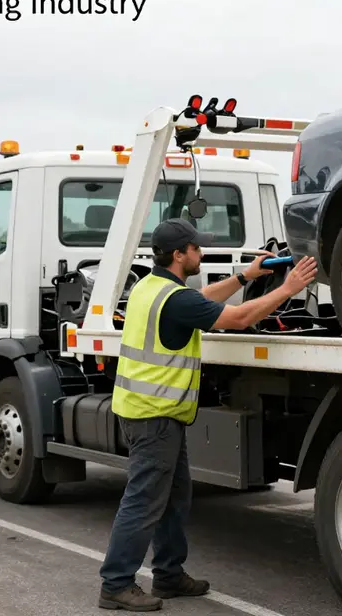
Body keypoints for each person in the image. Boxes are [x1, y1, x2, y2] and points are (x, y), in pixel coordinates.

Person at [98, 217, 318, 611]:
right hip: (155, 418)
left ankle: (167, 575)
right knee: (145, 502)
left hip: (150, 413)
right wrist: (288, 288)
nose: (202, 253)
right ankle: (115, 584)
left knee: (175, 498)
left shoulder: (151, 288)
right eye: (197, 248)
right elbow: (237, 318)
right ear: (179, 255)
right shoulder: (176, 299)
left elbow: (205, 299)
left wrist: (244, 277)